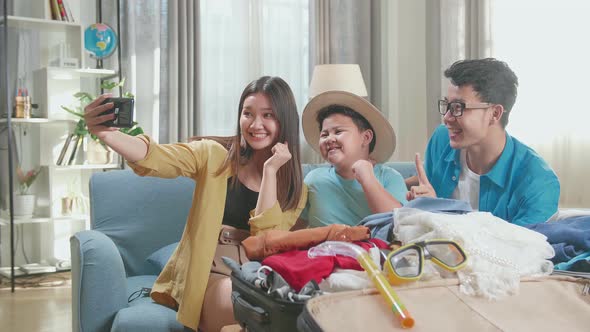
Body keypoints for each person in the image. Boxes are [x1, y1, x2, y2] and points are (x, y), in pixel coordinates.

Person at [84, 76, 307, 331]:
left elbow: (265, 241)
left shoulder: (296, 189)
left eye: (268, 115)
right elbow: (156, 157)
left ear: (285, 121)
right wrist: (106, 134)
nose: (256, 124)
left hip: (257, 271)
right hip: (210, 269)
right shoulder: (214, 155)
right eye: (248, 113)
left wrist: (270, 173)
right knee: (240, 301)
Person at [406, 58, 560, 226]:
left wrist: (438, 214)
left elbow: (521, 249)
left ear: (494, 114)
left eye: (458, 107)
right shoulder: (442, 140)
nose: (447, 118)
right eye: (447, 105)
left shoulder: (539, 182)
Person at [295, 91, 407, 229]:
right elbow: (294, 230)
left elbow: (397, 224)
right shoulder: (313, 179)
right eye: (324, 134)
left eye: (338, 132)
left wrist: (368, 180)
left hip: (372, 250)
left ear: (366, 138)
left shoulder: (389, 177)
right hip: (323, 249)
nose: (329, 139)